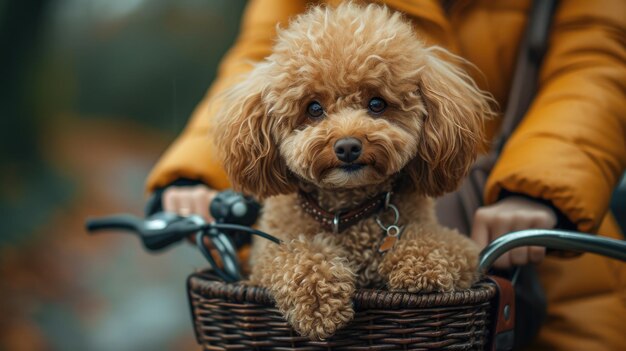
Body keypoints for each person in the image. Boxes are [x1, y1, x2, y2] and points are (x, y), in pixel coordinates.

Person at [145, 1, 626, 349]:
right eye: (314, 110)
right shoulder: (279, 196)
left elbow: (599, 60)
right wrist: (193, 174)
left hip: (544, 252)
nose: (348, 136)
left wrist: (540, 185)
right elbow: (253, 56)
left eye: (376, 105)